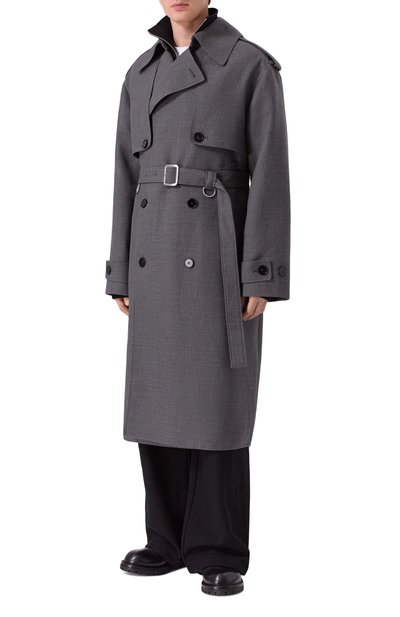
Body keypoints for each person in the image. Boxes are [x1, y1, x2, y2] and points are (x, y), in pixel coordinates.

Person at [105, 0, 290, 596]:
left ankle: (218, 549)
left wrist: (259, 271)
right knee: (157, 402)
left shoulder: (249, 65)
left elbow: (271, 172)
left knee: (216, 405)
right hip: (152, 253)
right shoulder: (139, 72)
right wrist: (120, 269)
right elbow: (124, 175)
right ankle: (165, 540)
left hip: (214, 253)